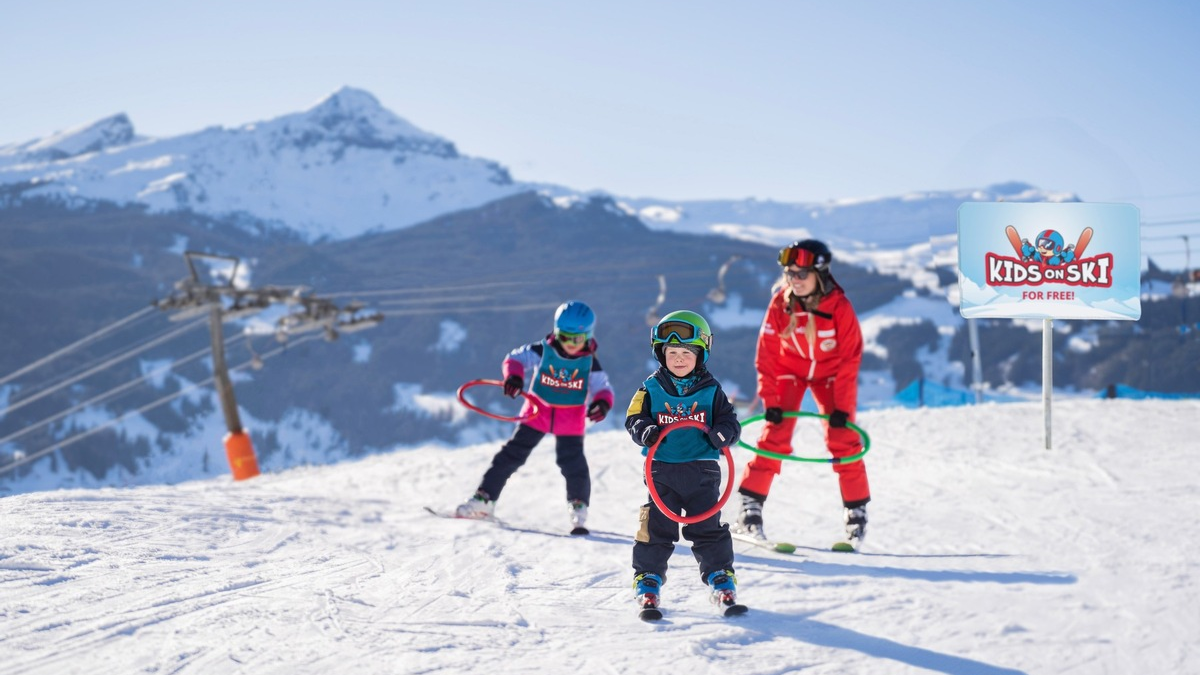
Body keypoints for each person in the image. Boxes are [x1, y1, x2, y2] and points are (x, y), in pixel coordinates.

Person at [735, 239, 871, 550]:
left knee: (843, 438)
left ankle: (856, 511)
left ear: (819, 274)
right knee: (775, 434)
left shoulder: (839, 307)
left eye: (801, 274)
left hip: (831, 376)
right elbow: (767, 354)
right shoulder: (780, 304)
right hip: (789, 373)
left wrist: (843, 407)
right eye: (789, 273)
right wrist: (771, 400)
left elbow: (850, 359)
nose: (794, 280)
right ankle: (750, 508)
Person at [455, 300, 615, 532]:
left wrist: (601, 403)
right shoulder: (543, 350)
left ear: (588, 336)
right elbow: (515, 359)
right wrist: (514, 377)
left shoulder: (590, 363)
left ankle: (578, 507)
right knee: (510, 456)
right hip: (536, 415)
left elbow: (603, 388)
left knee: (573, 465)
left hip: (570, 422)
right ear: (556, 332)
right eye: (565, 337)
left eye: (577, 339)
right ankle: (484, 500)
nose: (570, 344)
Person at [625, 310, 742, 612]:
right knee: (657, 526)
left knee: (707, 526)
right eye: (671, 352)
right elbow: (633, 417)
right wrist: (645, 430)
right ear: (660, 355)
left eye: (686, 353)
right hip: (661, 469)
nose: (678, 359)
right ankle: (648, 579)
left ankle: (720, 577)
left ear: (701, 354)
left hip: (702, 471)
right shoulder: (649, 388)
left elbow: (731, 423)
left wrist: (721, 434)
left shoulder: (712, 390)